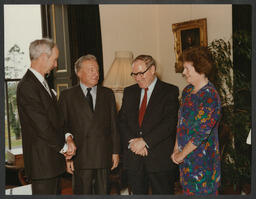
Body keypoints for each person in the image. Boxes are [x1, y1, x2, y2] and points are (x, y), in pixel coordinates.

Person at [17, 38, 76, 194]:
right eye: (54, 59)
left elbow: (57, 119)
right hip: (42, 165)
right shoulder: (27, 86)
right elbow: (42, 126)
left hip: (51, 164)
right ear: (43, 57)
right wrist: (65, 148)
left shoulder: (42, 83)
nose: (56, 65)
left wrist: (68, 137)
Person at [58, 54, 120, 194]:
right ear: (79, 72)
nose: (96, 74)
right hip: (80, 157)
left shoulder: (108, 94)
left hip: (103, 155)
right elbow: (62, 127)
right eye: (91, 70)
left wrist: (115, 152)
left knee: (103, 192)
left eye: (97, 70)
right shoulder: (67, 96)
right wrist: (68, 158)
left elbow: (114, 126)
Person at [118, 55, 179, 194]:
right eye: (134, 74)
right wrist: (133, 143)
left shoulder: (169, 91)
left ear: (152, 69)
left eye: (141, 73)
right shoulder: (129, 92)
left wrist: (145, 141)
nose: (137, 78)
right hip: (134, 158)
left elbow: (169, 123)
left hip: (159, 159)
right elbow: (122, 121)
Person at [171, 46, 221, 195]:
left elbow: (201, 134)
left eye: (187, 68)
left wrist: (181, 154)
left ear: (201, 68)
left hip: (203, 165)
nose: (183, 72)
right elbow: (180, 123)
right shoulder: (187, 91)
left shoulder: (210, 96)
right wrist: (176, 149)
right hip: (186, 162)